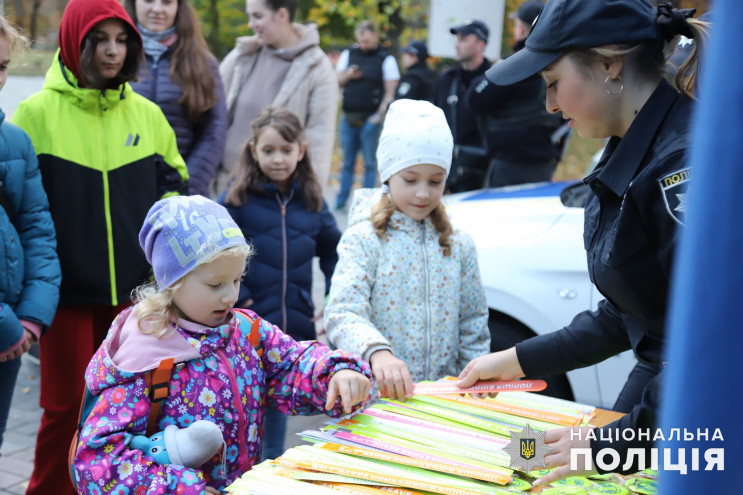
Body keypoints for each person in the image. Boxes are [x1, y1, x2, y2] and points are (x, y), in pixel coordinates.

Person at [456, 0, 706, 485]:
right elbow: (632, 310)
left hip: (699, 399)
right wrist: (513, 360)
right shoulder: (634, 146)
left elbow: (711, 343)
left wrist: (615, 446)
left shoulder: (680, 167)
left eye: (553, 82)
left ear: (610, 66)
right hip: (666, 382)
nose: (549, 104)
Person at [72, 195, 371, 494]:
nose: (230, 296)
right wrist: (181, 490)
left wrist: (335, 373)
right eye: (216, 285)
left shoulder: (245, 330)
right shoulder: (144, 357)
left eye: (237, 279)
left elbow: (292, 364)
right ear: (171, 281)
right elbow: (98, 460)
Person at [11, 0, 188, 491]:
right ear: (74, 42)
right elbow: (17, 210)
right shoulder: (34, 114)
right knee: (67, 408)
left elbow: (173, 191)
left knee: (130, 409)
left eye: (121, 39)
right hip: (63, 295)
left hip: (133, 298)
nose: (113, 52)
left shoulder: (148, 115)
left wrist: (166, 275)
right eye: (100, 40)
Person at [325, 99, 490, 401]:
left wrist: (476, 375)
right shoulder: (365, 238)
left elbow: (473, 322)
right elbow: (342, 311)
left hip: (444, 401)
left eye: (436, 181)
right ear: (387, 174)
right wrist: (378, 353)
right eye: (411, 180)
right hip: (377, 404)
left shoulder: (457, 243)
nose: (424, 193)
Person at [219, 107, 342, 460]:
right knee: (246, 424)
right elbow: (214, 254)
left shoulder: (312, 201)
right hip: (249, 331)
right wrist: (242, 297)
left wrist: (334, 296)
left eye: (286, 150)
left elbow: (335, 252)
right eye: (268, 150)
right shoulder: (236, 201)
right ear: (254, 149)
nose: (277, 159)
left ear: (300, 150)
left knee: (276, 435)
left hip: (296, 327)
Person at [0, 16, 61, 453]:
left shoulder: (16, 143)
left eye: (2, 66)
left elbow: (37, 231)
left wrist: (30, 321)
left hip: (8, 342)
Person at [216, 0, 338, 196]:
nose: (250, 24)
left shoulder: (317, 68)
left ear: (282, 15)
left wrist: (310, 200)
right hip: (224, 185)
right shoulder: (243, 54)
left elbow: (319, 141)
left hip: (272, 195)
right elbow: (213, 110)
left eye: (257, 16)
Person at [124, 0, 228, 197]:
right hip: (125, 190)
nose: (157, 9)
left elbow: (214, 130)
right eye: (148, 1)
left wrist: (187, 184)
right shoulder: (115, 57)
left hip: (183, 192)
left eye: (167, 2)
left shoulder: (202, 63)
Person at [467, 0, 568, 187]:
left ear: (521, 30)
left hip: (509, 166)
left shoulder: (514, 65)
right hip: (543, 165)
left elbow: (475, 99)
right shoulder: (561, 63)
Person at [334, 20, 400, 211]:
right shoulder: (349, 54)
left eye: (367, 41)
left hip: (370, 118)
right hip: (349, 117)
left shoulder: (385, 58)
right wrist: (348, 75)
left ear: (375, 37)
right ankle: (340, 201)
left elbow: (390, 92)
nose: (364, 45)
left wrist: (377, 117)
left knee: (369, 163)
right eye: (361, 41)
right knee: (347, 162)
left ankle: (366, 204)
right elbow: (337, 81)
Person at [434, 19, 492, 193]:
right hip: (446, 170)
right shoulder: (447, 79)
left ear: (480, 45)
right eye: (457, 39)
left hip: (482, 172)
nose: (457, 45)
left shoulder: (494, 80)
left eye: (464, 39)